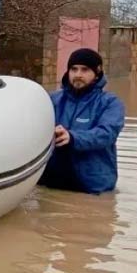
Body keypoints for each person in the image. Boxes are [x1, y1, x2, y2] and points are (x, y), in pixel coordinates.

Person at [39, 48, 125, 194]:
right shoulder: (52, 100)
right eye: (74, 69)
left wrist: (72, 137)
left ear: (97, 74)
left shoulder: (110, 103)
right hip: (50, 183)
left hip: (92, 187)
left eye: (85, 70)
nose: (78, 75)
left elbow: (107, 133)